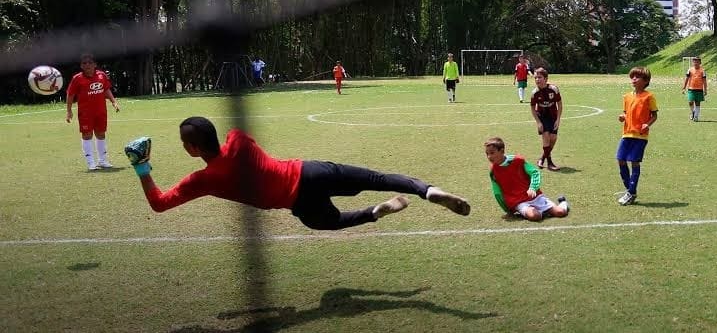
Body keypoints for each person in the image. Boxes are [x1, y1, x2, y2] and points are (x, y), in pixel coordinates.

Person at [124, 117, 471, 230]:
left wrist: (142, 166)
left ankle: (375, 212)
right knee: (377, 178)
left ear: (192, 150)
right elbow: (230, 136)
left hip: (298, 202)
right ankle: (428, 191)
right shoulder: (238, 141)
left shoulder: (202, 180)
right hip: (310, 171)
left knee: (329, 222)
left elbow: (159, 202)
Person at [483, 137, 569, 221]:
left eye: (492, 153)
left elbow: (534, 172)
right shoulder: (493, 171)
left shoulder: (518, 160)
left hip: (534, 196)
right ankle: (540, 212)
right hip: (519, 202)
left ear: (502, 151)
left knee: (560, 212)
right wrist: (507, 209)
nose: (489, 156)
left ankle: (563, 203)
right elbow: (497, 193)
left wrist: (533, 188)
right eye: (487, 154)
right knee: (535, 216)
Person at [65, 53, 120, 171]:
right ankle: (91, 163)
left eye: (90, 62)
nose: (87, 65)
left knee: (101, 134)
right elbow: (70, 95)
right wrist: (69, 111)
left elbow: (106, 89)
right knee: (87, 135)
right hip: (85, 113)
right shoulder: (77, 79)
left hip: (100, 111)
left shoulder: (102, 76)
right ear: (81, 66)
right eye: (84, 63)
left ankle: (103, 161)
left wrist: (113, 102)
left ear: (95, 64)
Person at [616, 66, 658, 206]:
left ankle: (631, 192)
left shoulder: (649, 97)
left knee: (634, 162)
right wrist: (623, 116)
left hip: (640, 136)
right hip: (627, 133)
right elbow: (626, 112)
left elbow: (654, 115)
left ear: (645, 81)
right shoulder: (627, 96)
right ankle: (630, 191)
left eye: (637, 77)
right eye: (632, 77)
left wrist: (647, 124)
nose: (633, 79)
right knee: (621, 159)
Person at [530, 67, 563, 171]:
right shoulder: (534, 92)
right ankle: (550, 163)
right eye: (535, 78)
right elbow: (532, 107)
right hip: (542, 117)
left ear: (546, 78)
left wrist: (558, 119)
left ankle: (542, 158)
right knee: (546, 137)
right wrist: (538, 122)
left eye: (539, 77)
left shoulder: (554, 89)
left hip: (553, 116)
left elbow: (560, 104)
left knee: (553, 139)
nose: (537, 80)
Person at [682, 56, 707, 121]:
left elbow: (704, 81)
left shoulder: (702, 70)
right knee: (690, 102)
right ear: (693, 62)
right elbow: (687, 79)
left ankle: (696, 116)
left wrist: (705, 90)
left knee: (697, 103)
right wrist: (684, 88)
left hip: (699, 89)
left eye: (697, 61)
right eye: (694, 61)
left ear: (700, 62)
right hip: (691, 88)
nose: (695, 62)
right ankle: (693, 112)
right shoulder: (690, 70)